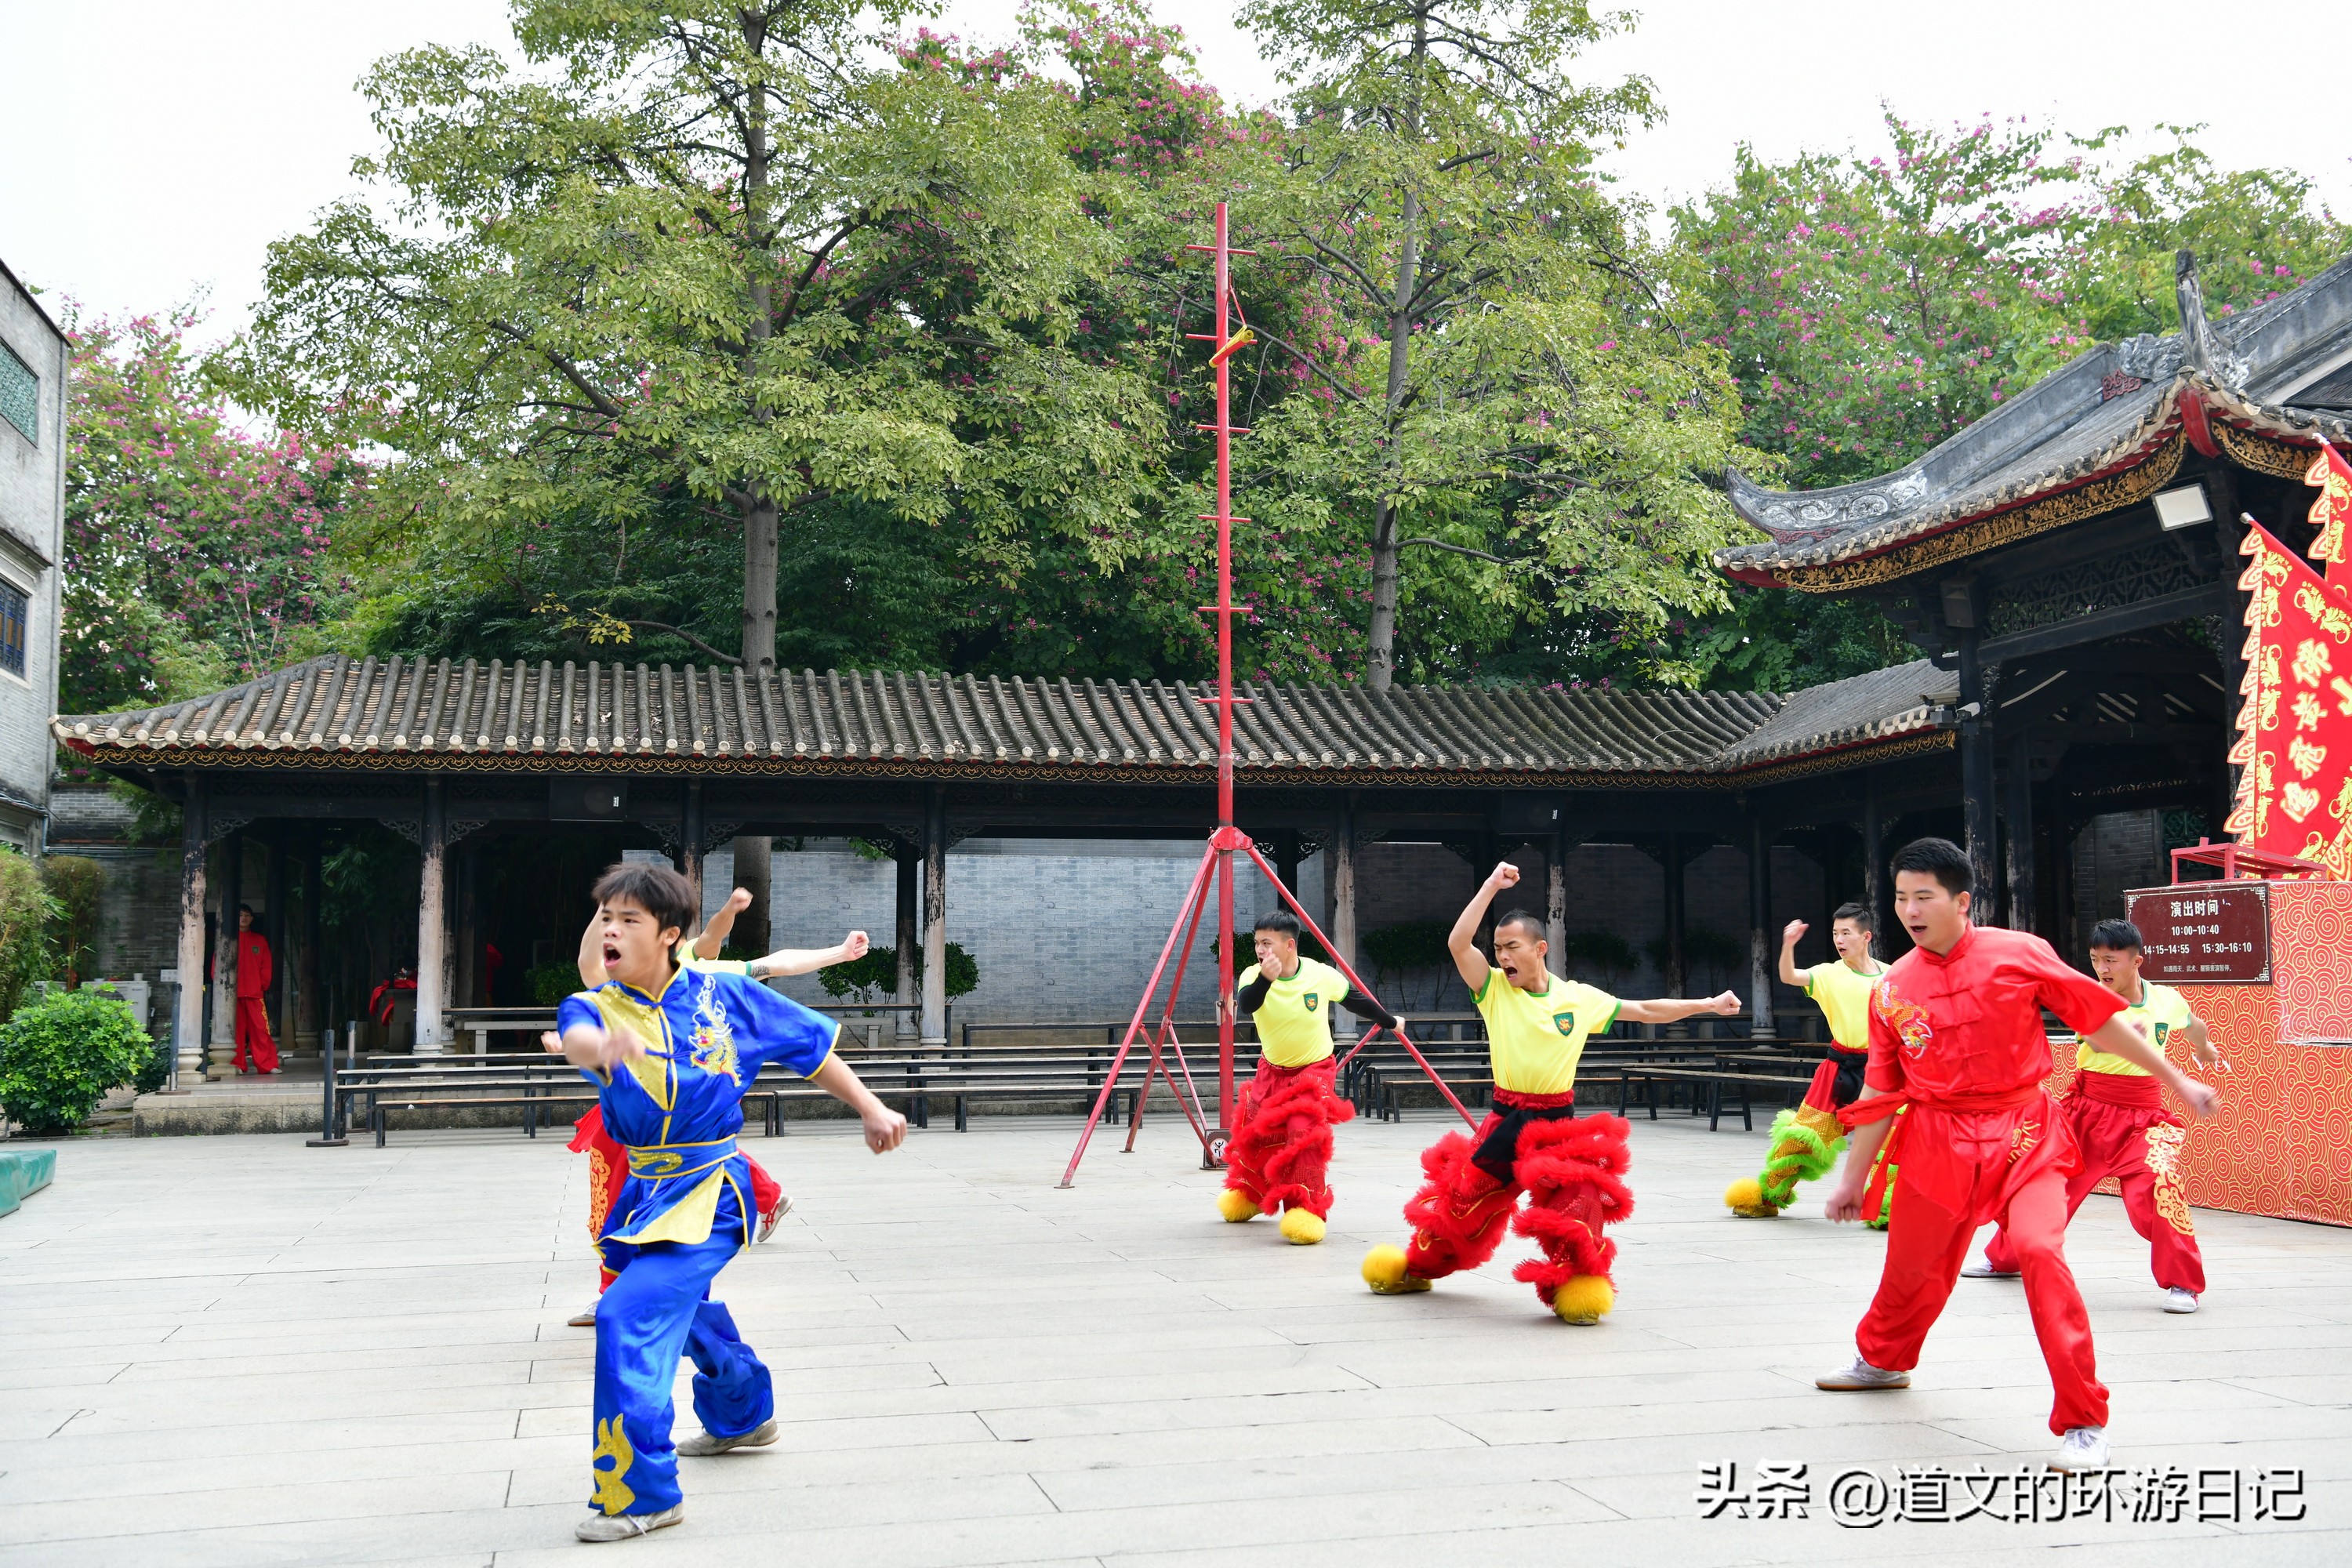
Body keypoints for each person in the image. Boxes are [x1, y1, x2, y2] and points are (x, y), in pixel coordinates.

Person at [1813, 838, 2220, 1473]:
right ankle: (1883, 1361)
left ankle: (2085, 1421)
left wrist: (2179, 1079)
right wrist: (1852, 1180)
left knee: (2037, 1249)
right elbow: (1879, 1090)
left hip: (2024, 1132)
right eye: (1900, 898)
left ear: (1962, 900)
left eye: (1924, 896)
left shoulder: (2019, 953)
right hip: (1936, 1140)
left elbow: (2102, 1021)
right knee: (1912, 1264)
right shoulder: (1892, 988)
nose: (1911, 911)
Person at [549, 862, 906, 1543]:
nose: (611, 931)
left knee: (627, 1313)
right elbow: (577, 1042)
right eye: (605, 918)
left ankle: (642, 1493)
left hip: (713, 1187)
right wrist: (606, 1049)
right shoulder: (594, 1006)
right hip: (644, 1191)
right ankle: (743, 1414)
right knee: (680, 1310)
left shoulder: (722, 993)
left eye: (628, 920)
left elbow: (809, 1048)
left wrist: (870, 1105)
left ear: (671, 935)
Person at [1361, 862, 1740, 1323]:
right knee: (1461, 1207)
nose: (1503, 956)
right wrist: (1488, 887)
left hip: (1557, 1124)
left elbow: (1643, 1009)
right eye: (1498, 948)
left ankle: (1577, 1288)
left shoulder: (1578, 998)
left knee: (1580, 1203)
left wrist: (1707, 1004)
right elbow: (1458, 944)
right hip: (1506, 1120)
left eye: (1512, 947)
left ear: (1539, 949)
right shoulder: (1494, 989)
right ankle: (1416, 1269)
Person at [564, 885, 869, 1327]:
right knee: (617, 1206)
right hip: (636, 1122)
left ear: (668, 934)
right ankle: (624, 1294)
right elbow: (589, 966)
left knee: (693, 1207)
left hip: (696, 1125)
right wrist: (605, 912)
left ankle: (671, 1305)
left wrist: (837, 954)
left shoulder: (713, 980)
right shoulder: (623, 980)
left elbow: (769, 961)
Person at [1965, 918, 2225, 1313]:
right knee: (2044, 1187)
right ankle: (2004, 1258)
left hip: (2145, 1119)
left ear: (2137, 960)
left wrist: (2203, 1050)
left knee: (2161, 1187)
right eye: (2095, 960)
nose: (2102, 969)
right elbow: (2094, 1039)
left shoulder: (2166, 999)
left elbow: (2193, 1026)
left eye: (2110, 960)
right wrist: (2123, 1039)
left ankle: (2184, 1284)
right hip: (2086, 1113)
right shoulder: (2088, 997)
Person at [1216, 909, 1399, 1245]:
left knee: (1302, 1130)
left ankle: (1305, 1210)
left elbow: (1355, 1000)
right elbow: (1247, 1005)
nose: (1259, 949)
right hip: (1272, 1070)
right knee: (1257, 1131)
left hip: (1314, 1070)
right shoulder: (1251, 976)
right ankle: (1253, 1195)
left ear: (1289, 945)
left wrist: (1389, 1021)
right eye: (1257, 943)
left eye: (1266, 943)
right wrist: (1265, 979)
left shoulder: (1319, 974)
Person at [1726, 902, 1885, 1217]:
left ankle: (1890, 1206)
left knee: (1895, 1136)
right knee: (1807, 1135)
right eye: (1836, 933)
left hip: (1882, 1071)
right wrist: (1788, 945)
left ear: (1866, 936)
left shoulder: (1892, 976)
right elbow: (1789, 976)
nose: (1839, 940)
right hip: (1840, 1067)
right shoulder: (1828, 973)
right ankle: (1768, 1195)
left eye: (1846, 933)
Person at [233, 905, 281, 1075]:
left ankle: (267, 1064)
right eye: (240, 915)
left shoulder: (259, 940)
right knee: (235, 1032)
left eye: (247, 915)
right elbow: (218, 965)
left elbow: (266, 966)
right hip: (233, 995)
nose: (244, 918)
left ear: (252, 919)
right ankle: (236, 1064)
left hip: (254, 994)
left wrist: (261, 985)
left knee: (261, 1030)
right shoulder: (229, 939)